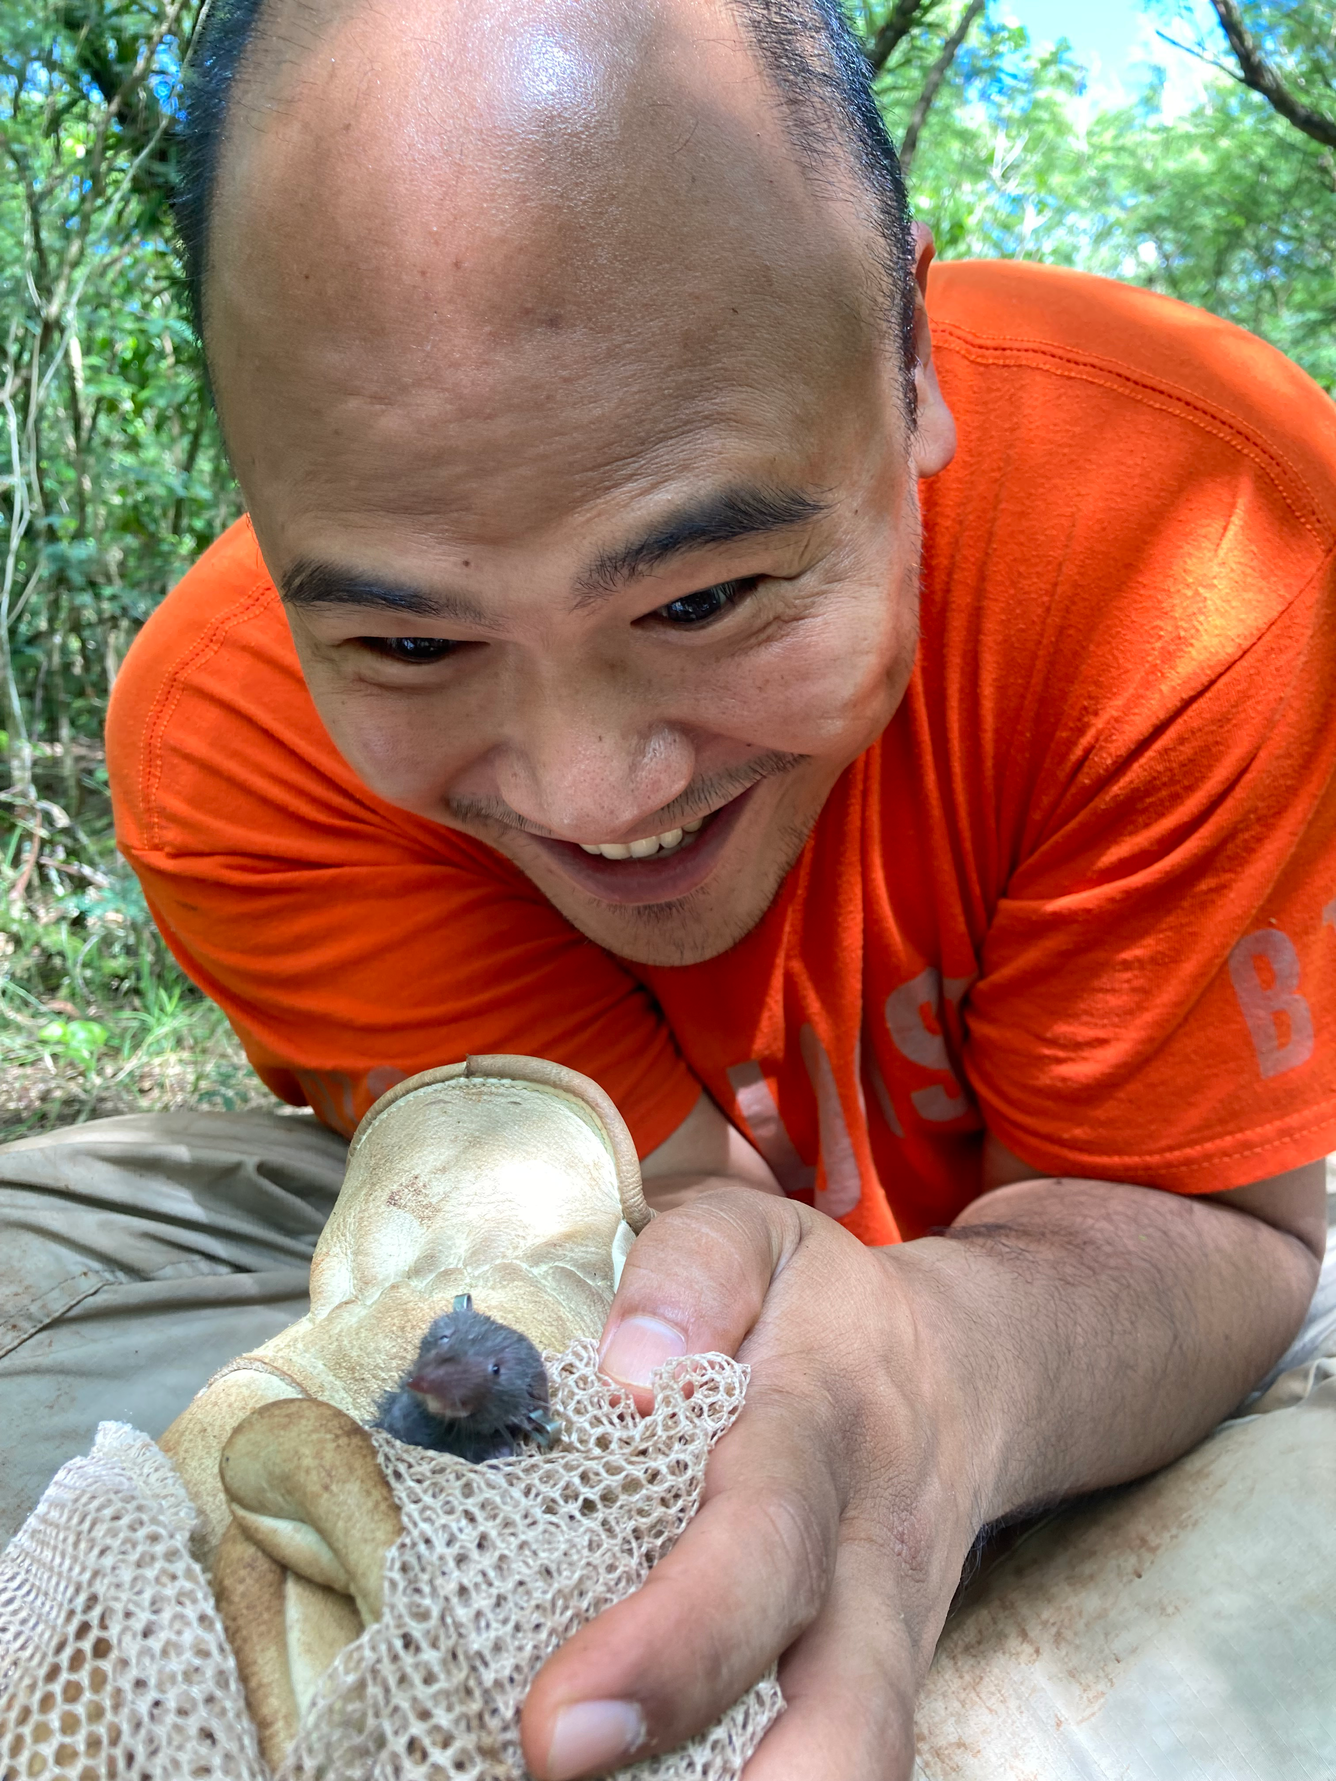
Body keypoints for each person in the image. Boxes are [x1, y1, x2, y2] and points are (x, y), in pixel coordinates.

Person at [1, 0, 1333, 1774]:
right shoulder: (230, 740)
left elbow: (1229, 1229)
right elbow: (614, 1229)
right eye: (409, 640)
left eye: (704, 597)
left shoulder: (1199, 539)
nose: (588, 791)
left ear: (910, 361)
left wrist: (949, 1360)